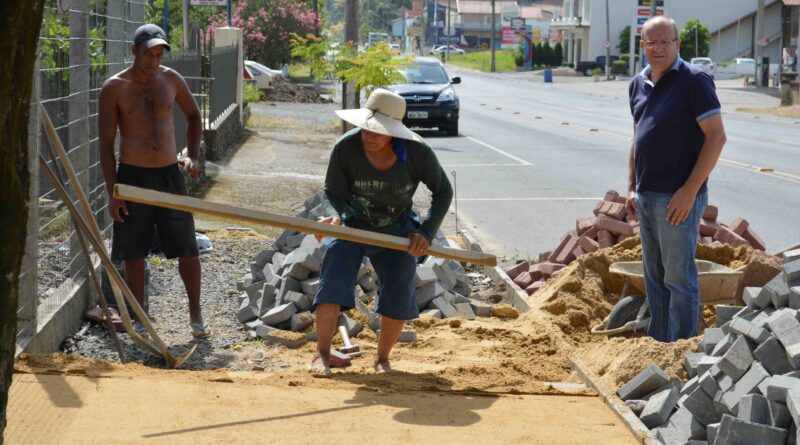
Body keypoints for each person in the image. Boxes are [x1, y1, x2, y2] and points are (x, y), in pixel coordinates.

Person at [311, 88, 453, 375]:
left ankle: (382, 358)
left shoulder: (417, 152)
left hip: (397, 228)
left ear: (395, 132)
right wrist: (335, 216)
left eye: (377, 130)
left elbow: (443, 191)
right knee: (333, 275)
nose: (369, 134)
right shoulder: (346, 148)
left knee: (400, 284)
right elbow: (331, 192)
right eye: (366, 127)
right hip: (353, 225)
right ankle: (321, 354)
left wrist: (425, 232)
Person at [98, 24, 210, 338]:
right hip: (132, 176)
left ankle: (196, 314)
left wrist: (192, 155)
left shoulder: (171, 79)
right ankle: (138, 318)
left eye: (159, 54)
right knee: (134, 250)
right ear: (134, 51)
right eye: (149, 53)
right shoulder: (115, 88)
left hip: (169, 175)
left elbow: (194, 116)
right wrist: (113, 193)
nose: (154, 60)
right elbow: (106, 145)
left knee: (187, 246)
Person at [625, 16, 727, 342]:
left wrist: (689, 191)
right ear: (642, 46)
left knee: (678, 278)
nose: (657, 48)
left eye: (664, 42)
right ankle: (659, 346)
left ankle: (683, 354)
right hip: (646, 195)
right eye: (650, 42)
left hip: (678, 199)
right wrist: (630, 186)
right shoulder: (637, 84)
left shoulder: (694, 81)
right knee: (654, 278)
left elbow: (716, 138)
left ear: (677, 44)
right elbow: (637, 136)